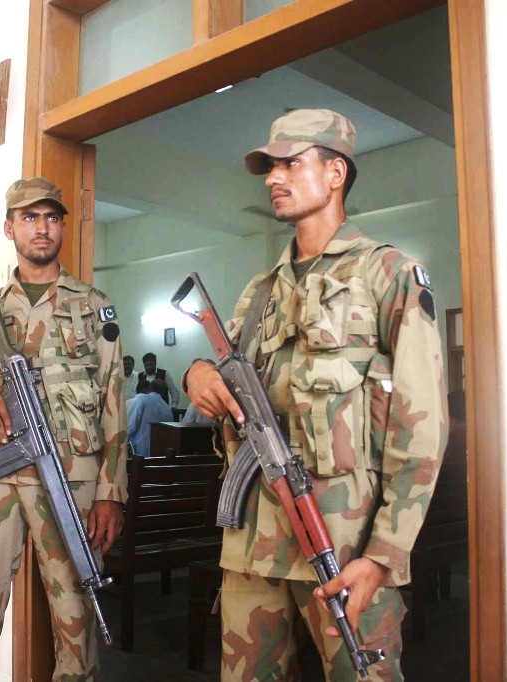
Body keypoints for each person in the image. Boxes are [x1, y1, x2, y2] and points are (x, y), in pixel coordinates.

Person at [184, 109, 446, 682]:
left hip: (344, 544)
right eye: (270, 167)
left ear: (335, 173)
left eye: (290, 163)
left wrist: (383, 555)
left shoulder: (390, 274)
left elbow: (421, 426)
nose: (274, 178)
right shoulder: (261, 291)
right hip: (253, 544)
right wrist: (198, 375)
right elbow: (233, 397)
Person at [0, 177, 127, 682]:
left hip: (69, 477)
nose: (41, 228)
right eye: (29, 217)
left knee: (75, 616)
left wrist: (112, 493)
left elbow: (113, 400)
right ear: (9, 228)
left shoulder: (95, 307)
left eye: (50, 217)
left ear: (63, 225)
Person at [126, 379, 175, 457]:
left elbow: (133, 423)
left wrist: (124, 441)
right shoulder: (167, 408)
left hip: (139, 449)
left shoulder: (143, 398)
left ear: (150, 388)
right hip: (160, 451)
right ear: (163, 392)